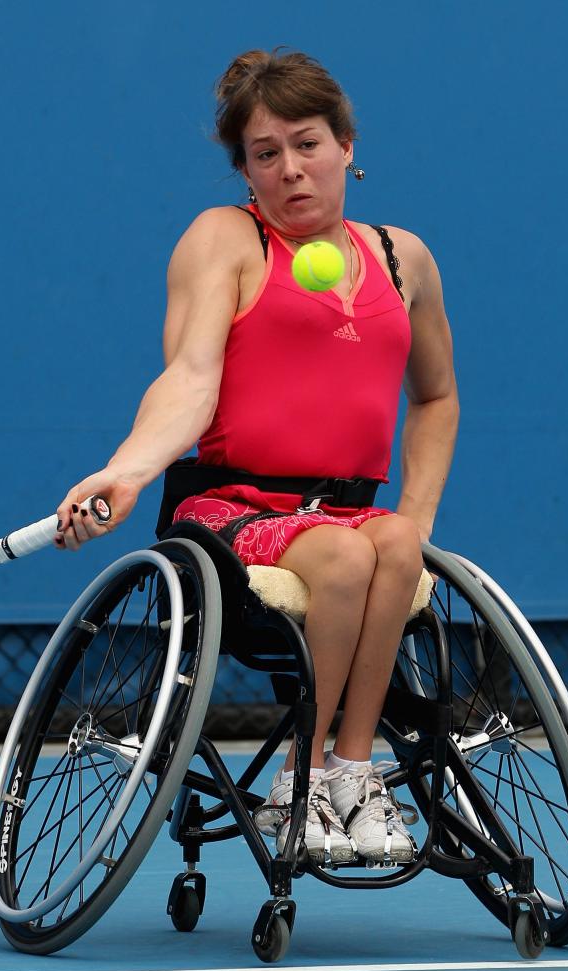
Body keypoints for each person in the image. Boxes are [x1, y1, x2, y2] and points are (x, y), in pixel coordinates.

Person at [53, 48, 459, 866]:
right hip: (231, 509)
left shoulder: (400, 258)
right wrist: (128, 470)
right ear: (245, 169)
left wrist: (412, 517)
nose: (290, 171)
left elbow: (437, 398)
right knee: (348, 555)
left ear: (347, 145)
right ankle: (299, 782)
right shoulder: (225, 240)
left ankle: (353, 771)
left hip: (348, 507)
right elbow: (191, 378)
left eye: (307, 145)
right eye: (265, 154)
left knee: (389, 542)